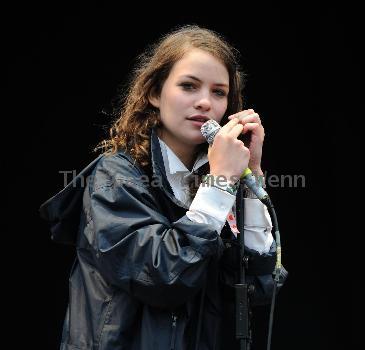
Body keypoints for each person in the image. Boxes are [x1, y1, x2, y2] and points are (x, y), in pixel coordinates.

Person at [40, 24, 287, 350]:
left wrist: (250, 176)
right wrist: (220, 183)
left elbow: (256, 286)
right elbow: (164, 276)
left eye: (219, 92)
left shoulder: (218, 182)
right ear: (155, 93)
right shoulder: (114, 177)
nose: (204, 102)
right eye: (188, 86)